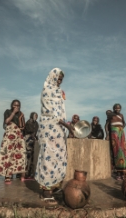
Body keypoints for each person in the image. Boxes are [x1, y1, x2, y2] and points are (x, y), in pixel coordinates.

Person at [35, 68, 74, 205]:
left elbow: (60, 112)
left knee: (59, 157)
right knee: (48, 158)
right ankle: (46, 191)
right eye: (58, 79)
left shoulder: (58, 92)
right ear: (52, 77)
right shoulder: (47, 91)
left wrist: (66, 126)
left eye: (61, 80)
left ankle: (54, 186)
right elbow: (50, 113)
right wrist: (67, 125)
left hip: (59, 129)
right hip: (49, 128)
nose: (60, 82)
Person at [0, 100, 26, 184]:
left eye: (18, 105)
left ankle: (18, 173)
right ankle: (7, 175)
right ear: (12, 105)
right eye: (14, 105)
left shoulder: (21, 114)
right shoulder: (8, 112)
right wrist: (13, 113)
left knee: (19, 154)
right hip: (9, 135)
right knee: (8, 153)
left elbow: (22, 126)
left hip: (18, 135)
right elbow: (7, 121)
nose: (16, 107)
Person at [105, 104, 126, 180]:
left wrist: (120, 128)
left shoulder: (121, 115)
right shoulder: (111, 115)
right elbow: (106, 125)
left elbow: (124, 123)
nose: (117, 109)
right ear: (113, 108)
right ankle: (118, 172)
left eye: (119, 108)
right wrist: (108, 134)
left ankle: (123, 172)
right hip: (113, 133)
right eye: (116, 108)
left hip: (121, 133)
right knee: (116, 151)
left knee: (123, 151)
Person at [23, 112, 39, 179]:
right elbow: (29, 131)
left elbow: (36, 132)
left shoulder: (36, 123)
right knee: (28, 156)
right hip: (28, 139)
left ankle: (31, 173)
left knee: (33, 157)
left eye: (37, 116)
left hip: (33, 140)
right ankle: (26, 174)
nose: (36, 117)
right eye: (35, 116)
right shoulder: (29, 122)